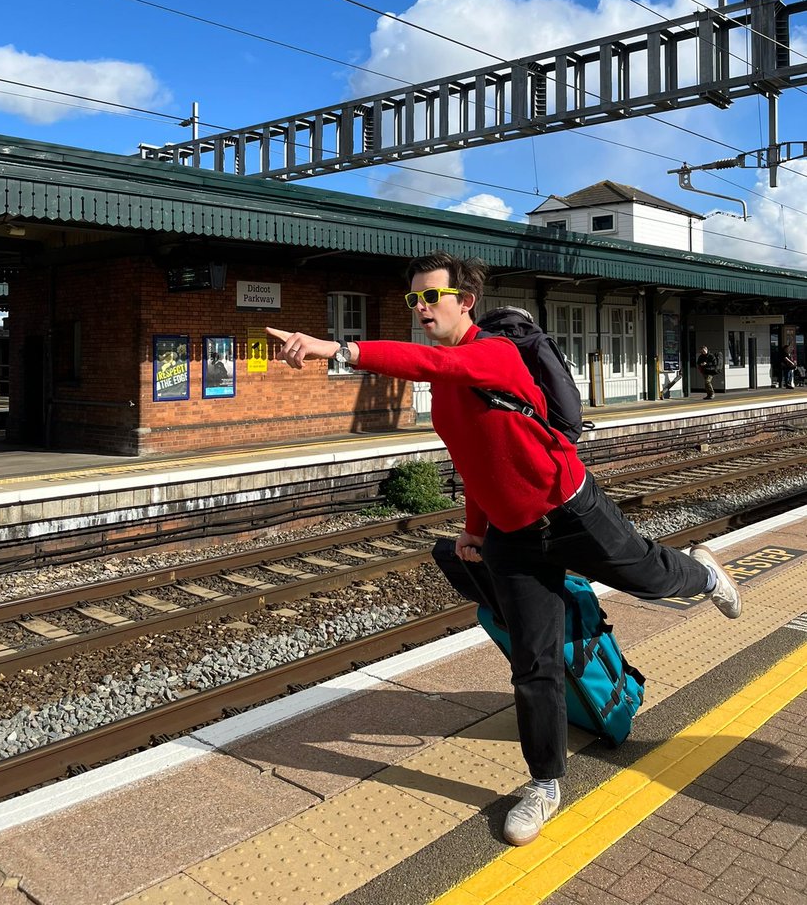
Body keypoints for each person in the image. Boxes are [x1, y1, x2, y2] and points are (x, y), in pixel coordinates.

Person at [267, 252, 742, 848]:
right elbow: (476, 460)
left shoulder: (493, 353)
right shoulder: (446, 387)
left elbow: (427, 361)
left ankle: (704, 577)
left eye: (428, 298)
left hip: (569, 509)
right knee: (533, 663)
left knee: (650, 578)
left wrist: (334, 348)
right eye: (412, 300)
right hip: (513, 537)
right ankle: (545, 783)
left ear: (464, 302)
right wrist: (475, 528)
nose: (419, 311)